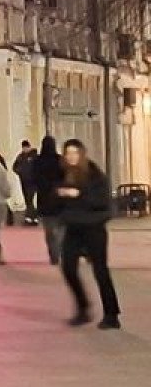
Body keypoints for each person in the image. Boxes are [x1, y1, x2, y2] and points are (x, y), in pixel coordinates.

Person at [56, 139, 120, 328]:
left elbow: (103, 203)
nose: (71, 157)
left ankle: (112, 314)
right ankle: (83, 308)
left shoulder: (95, 175)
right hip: (73, 228)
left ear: (82, 154)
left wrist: (78, 194)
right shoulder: (64, 174)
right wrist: (59, 197)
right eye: (68, 153)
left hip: (93, 228)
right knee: (68, 268)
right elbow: (54, 199)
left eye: (75, 153)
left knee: (100, 271)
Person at [34, 135, 66, 265]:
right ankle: (60, 249)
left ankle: (53, 254)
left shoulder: (37, 161)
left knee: (49, 230)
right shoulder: (60, 160)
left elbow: (32, 178)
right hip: (60, 199)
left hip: (44, 199)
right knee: (61, 228)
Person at [13, 139, 39, 225]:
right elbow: (14, 167)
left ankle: (32, 216)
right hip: (24, 181)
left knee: (30, 199)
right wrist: (19, 171)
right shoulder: (20, 156)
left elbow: (38, 167)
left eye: (26, 148)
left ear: (29, 147)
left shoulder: (34, 156)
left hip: (33, 181)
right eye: (23, 148)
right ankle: (32, 216)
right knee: (27, 200)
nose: (25, 149)